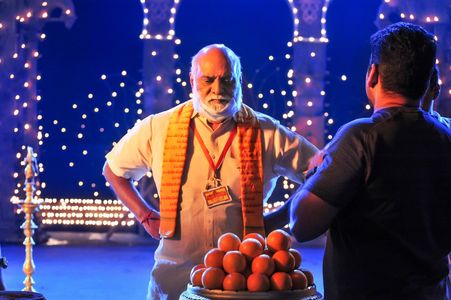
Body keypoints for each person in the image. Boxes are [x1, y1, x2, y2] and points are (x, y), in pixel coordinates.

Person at [103, 44, 318, 299]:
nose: (218, 89)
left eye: (227, 80)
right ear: (192, 80)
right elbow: (113, 170)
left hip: (244, 285)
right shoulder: (158, 128)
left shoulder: (266, 131)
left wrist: (281, 217)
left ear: (238, 81)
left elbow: (318, 170)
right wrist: (146, 215)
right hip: (172, 282)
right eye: (209, 80)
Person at [289, 22, 451, 299]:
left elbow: (303, 225)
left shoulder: (361, 137)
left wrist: (314, 174)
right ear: (428, 82)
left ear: (373, 74)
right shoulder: (446, 137)